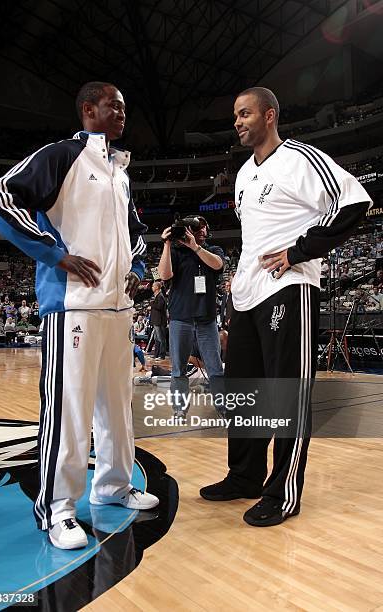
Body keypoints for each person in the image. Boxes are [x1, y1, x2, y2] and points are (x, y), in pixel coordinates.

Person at [0, 80, 158, 550]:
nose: (121, 113)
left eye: (124, 107)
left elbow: (134, 233)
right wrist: (53, 254)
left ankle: (114, 488)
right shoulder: (62, 155)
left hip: (118, 309)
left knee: (116, 409)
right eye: (112, 106)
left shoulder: (120, 171)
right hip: (73, 308)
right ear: (88, 110)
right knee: (69, 412)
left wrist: (137, 268)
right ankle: (58, 509)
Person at [200, 86, 371, 526]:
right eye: (235, 115)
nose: (237, 122)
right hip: (247, 294)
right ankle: (244, 477)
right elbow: (256, 233)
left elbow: (354, 202)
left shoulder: (300, 159)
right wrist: (239, 275)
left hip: (288, 287)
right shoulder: (242, 174)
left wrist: (299, 252)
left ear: (269, 115)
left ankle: (283, 492)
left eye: (244, 114)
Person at [158, 216, 225, 415]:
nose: (202, 231)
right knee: (178, 369)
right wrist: (167, 244)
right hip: (181, 318)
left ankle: (222, 406)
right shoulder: (176, 252)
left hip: (206, 319)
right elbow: (164, 275)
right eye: (197, 228)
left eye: (204, 228)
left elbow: (218, 265)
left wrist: (195, 247)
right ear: (188, 230)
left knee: (215, 368)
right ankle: (179, 408)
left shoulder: (213, 250)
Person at [150, 281, 167, 360]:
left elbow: (159, 307)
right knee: (156, 338)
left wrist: (151, 304)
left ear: (157, 287)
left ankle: (162, 355)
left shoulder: (160, 296)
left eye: (153, 286)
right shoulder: (156, 296)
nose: (152, 287)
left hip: (160, 321)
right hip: (156, 320)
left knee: (161, 339)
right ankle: (156, 354)